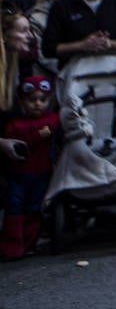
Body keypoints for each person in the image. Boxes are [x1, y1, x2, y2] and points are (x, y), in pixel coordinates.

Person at [0, 76, 61, 259]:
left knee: (34, 208)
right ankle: (12, 247)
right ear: (22, 102)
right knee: (15, 208)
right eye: (32, 100)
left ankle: (29, 243)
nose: (37, 104)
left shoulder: (52, 119)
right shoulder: (15, 125)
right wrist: (37, 136)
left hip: (42, 173)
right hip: (19, 174)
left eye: (42, 100)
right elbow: (18, 146)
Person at [27, 0, 75, 76]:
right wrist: (66, 71)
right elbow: (39, 53)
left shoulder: (80, 13)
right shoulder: (35, 17)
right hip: (47, 76)